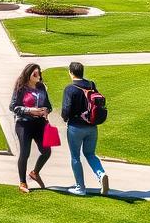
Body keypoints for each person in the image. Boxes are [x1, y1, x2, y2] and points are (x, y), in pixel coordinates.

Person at [61, 61, 109, 196]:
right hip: (92, 127)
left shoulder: (70, 89)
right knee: (90, 154)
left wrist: (65, 119)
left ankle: (80, 187)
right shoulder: (92, 85)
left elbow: (66, 110)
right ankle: (101, 174)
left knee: (75, 157)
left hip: (75, 127)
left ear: (71, 72)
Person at [9, 63, 53, 193]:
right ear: (28, 74)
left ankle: (35, 172)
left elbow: (49, 105)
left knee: (46, 151)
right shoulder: (21, 88)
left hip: (39, 123)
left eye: (39, 73)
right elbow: (13, 107)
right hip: (24, 123)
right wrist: (30, 110)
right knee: (25, 152)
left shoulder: (41, 87)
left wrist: (46, 110)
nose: (38, 75)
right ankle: (22, 182)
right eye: (35, 73)